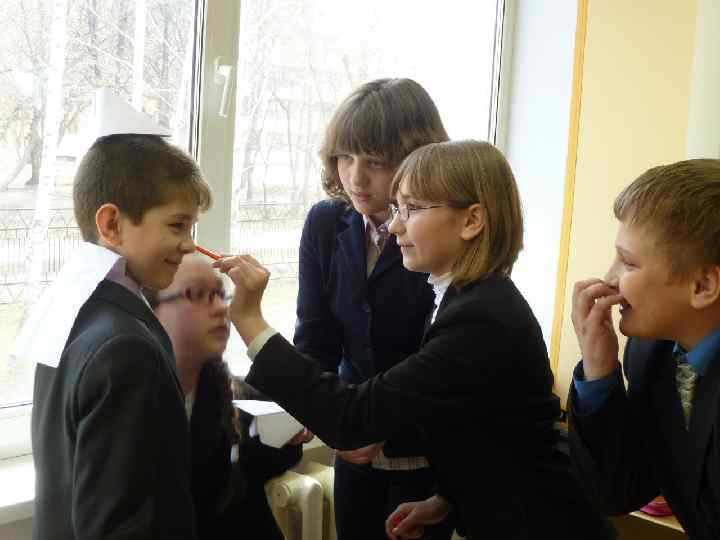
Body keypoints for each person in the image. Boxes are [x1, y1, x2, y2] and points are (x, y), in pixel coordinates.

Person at [216, 140, 616, 539]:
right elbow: (491, 431)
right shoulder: (464, 299)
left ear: (472, 220)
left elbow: (353, 418)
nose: (394, 226)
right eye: (396, 209)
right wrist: (447, 500)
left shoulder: (481, 317)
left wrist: (250, 321)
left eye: (411, 209)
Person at [29, 133, 211, 539]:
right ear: (111, 224)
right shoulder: (125, 348)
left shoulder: (65, 311)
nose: (189, 245)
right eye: (177, 225)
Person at [292, 77, 452, 539]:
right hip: (353, 450)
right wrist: (323, 416)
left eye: (375, 162)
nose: (355, 178)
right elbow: (315, 337)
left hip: (427, 453)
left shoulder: (438, 229)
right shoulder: (325, 222)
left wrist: (371, 421)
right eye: (345, 157)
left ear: (415, 159)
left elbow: (443, 361)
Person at [568, 159, 720, 540]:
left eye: (628, 263)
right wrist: (599, 369)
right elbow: (616, 492)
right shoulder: (649, 354)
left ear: (703, 286)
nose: (609, 280)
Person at [149, 254, 312, 540]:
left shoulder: (233, 391)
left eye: (220, 294)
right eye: (196, 294)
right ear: (149, 312)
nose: (220, 308)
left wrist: (289, 437)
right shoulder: (133, 405)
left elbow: (255, 474)